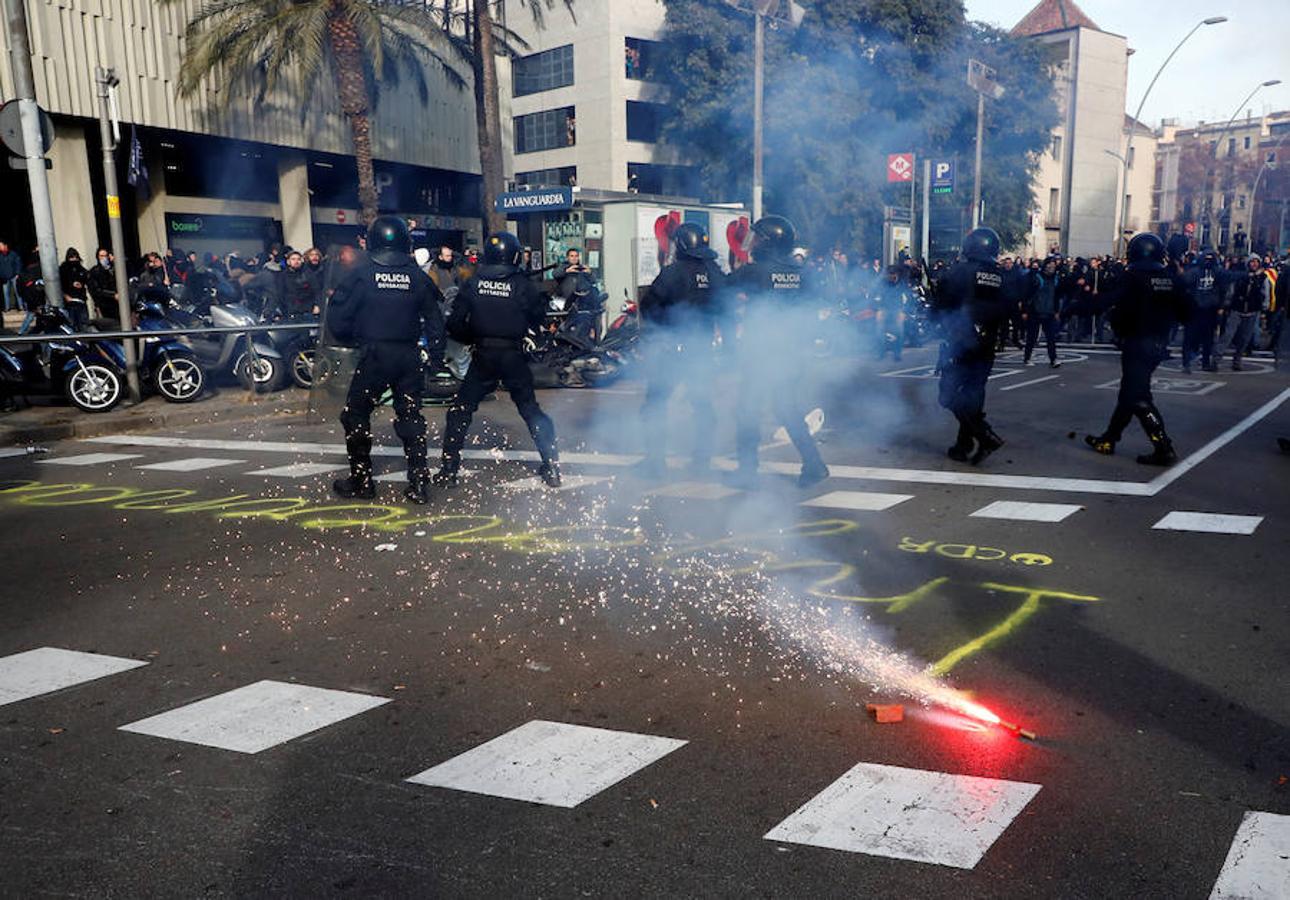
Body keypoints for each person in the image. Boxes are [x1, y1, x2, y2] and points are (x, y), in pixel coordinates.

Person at [326, 216, 445, 504]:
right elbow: (436, 322)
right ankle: (418, 482)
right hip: (408, 356)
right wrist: (436, 361)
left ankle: (362, 481)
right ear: (405, 241)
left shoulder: (360, 274)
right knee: (411, 416)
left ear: (373, 240)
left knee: (355, 414)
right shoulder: (418, 277)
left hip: (373, 355)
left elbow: (338, 320)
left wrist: (351, 340)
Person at [435, 231, 560, 488]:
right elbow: (538, 318)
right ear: (514, 256)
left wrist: (473, 338)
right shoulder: (522, 284)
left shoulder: (474, 282)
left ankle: (448, 470)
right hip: (513, 355)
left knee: (460, 411)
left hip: (483, 356)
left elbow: (455, 322)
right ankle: (552, 466)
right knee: (530, 410)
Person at [1069, 233, 1190, 466]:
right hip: (1158, 343)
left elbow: (1109, 300)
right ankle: (1109, 439)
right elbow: (1186, 309)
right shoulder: (1168, 276)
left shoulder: (1132, 276)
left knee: (1138, 397)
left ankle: (1163, 446)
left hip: (1137, 341)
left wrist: (1077, 306)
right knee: (1128, 393)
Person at [726, 215, 829, 488]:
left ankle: (747, 471)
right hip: (792, 353)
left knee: (747, 410)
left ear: (769, 242)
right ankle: (814, 464)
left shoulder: (755, 271)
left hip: (762, 353)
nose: (754, 242)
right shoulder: (802, 272)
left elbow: (721, 289)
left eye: (758, 237)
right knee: (787, 409)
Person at [634, 221, 724, 479]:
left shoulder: (673, 272)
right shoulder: (715, 272)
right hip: (702, 349)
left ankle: (655, 463)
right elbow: (725, 307)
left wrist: (659, 329)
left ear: (683, 245)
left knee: (655, 405)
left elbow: (649, 306)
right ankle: (702, 462)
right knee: (703, 406)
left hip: (672, 349)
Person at [934, 227, 1009, 465]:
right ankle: (963, 445)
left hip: (960, 342)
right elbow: (1009, 307)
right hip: (987, 344)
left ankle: (984, 435)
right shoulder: (1001, 276)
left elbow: (940, 307)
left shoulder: (959, 272)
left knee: (947, 396)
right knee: (973, 395)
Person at [1219, 256, 1269, 371]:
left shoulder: (1262, 277)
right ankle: (1216, 358)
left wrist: (1264, 308)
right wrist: (1226, 304)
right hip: (1237, 308)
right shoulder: (1241, 275)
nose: (1254, 264)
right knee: (1228, 335)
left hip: (1252, 310)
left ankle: (1237, 360)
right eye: (1252, 262)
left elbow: (1265, 292)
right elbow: (1231, 290)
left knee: (1245, 338)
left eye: (1256, 262)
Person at [1181, 249, 1224, 373]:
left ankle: (1205, 362)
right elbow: (1185, 284)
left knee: (1208, 339)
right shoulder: (1194, 272)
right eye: (1206, 259)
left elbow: (1223, 290)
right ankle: (1186, 363)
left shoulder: (1217, 273)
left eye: (1210, 259)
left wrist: (1221, 306)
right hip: (1195, 309)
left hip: (1210, 310)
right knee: (1190, 337)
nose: (1208, 262)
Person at [1022, 257, 1062, 367]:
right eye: (1050, 266)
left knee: (1051, 337)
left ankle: (1053, 359)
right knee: (1032, 336)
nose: (1052, 268)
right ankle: (1027, 357)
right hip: (1035, 311)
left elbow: (1056, 297)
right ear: (1045, 266)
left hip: (1049, 311)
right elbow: (1027, 294)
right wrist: (1025, 310)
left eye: (1053, 266)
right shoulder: (1037, 277)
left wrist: (1056, 310)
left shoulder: (1056, 279)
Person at [872, 266, 909, 361]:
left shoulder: (902, 284)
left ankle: (897, 354)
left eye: (893, 274)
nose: (891, 276)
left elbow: (907, 299)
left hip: (897, 309)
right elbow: (876, 297)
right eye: (889, 274)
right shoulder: (882, 284)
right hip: (884, 309)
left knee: (899, 331)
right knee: (879, 331)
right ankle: (880, 353)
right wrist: (878, 310)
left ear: (897, 275)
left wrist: (904, 312)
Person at [59, 248, 90, 329]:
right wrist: (66, 296)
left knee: (84, 324)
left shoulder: (81, 269)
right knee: (71, 324)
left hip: (81, 300)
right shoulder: (63, 269)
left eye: (75, 257)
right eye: (71, 257)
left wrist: (81, 284)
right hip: (70, 302)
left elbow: (87, 280)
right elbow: (60, 285)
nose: (74, 260)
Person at [86, 247, 119, 322]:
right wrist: (113, 295)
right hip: (104, 304)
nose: (104, 258)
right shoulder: (94, 271)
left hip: (117, 303)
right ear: (98, 257)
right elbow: (95, 290)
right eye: (101, 256)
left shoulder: (113, 269)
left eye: (106, 255)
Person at [0, 239, 21, 313]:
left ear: (5, 246)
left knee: (18, 292)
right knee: (6, 293)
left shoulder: (13, 254)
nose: (0, 247)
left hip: (14, 276)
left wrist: (17, 273)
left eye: (1, 246)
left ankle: (21, 307)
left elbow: (18, 263)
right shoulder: (0, 256)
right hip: (4, 278)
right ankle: (7, 308)